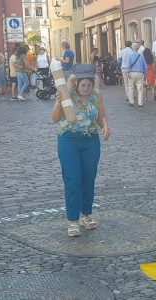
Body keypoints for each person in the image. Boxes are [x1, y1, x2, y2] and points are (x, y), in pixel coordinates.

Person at [51, 63, 110, 237]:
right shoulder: (66, 95)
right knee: (73, 180)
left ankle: (85, 215)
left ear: (93, 84)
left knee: (88, 179)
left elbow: (101, 116)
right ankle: (72, 221)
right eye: (83, 85)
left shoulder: (96, 95)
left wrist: (105, 127)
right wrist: (58, 102)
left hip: (91, 141)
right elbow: (55, 118)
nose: (86, 88)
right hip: (69, 140)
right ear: (75, 83)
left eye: (89, 85)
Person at [126, 43, 148, 107]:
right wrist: (146, 75)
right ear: (138, 48)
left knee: (130, 88)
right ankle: (140, 103)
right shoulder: (141, 56)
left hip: (132, 73)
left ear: (132, 48)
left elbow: (128, 65)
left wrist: (127, 73)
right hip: (140, 73)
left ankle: (131, 102)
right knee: (140, 89)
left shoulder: (130, 56)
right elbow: (145, 66)